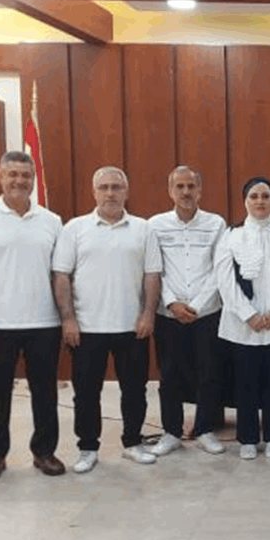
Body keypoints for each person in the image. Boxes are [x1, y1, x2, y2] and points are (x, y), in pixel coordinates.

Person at [0, 151, 66, 482]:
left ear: (34, 179)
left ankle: (44, 452)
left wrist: (66, 317)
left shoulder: (52, 221)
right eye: (13, 174)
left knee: (46, 393)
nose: (19, 180)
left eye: (25, 175)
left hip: (45, 322)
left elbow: (61, 274)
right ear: (1, 176)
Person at [52, 166, 162, 473]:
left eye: (116, 187)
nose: (110, 193)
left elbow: (152, 275)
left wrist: (148, 314)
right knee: (86, 394)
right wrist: (68, 320)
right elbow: (61, 276)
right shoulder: (74, 229)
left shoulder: (143, 229)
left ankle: (133, 443)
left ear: (126, 192)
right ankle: (88, 448)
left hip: (132, 327)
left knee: (135, 390)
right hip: (87, 328)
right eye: (104, 187)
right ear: (94, 192)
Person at [215, 178, 270, 460]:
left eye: (265, 196)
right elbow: (225, 280)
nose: (260, 201)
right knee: (245, 384)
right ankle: (248, 438)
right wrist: (249, 315)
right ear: (245, 201)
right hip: (244, 327)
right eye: (254, 196)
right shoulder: (232, 235)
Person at [149, 166, 229, 457]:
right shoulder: (155, 225)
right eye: (179, 186)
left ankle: (205, 429)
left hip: (206, 313)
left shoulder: (215, 224)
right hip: (168, 314)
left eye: (191, 186)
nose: (185, 192)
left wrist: (196, 305)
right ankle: (171, 432)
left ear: (200, 190)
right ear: (170, 191)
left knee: (208, 373)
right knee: (169, 375)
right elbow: (154, 269)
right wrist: (172, 303)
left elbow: (220, 269)